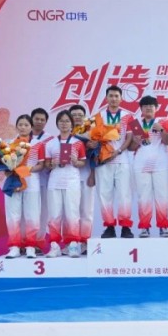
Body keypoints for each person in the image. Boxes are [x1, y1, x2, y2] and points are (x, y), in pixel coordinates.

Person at [43, 110, 87, 258]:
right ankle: (55, 246)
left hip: (72, 181)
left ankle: (73, 245)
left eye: (67, 121)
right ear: (57, 124)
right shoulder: (50, 143)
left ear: (72, 124)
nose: (64, 124)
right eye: (61, 121)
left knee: (72, 214)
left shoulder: (78, 143)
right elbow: (47, 165)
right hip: (55, 181)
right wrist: (52, 164)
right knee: (54, 215)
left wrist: (75, 162)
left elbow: (83, 162)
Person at [93, 85, 135, 238]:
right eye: (111, 96)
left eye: (116, 96)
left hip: (122, 160)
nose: (113, 99)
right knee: (104, 195)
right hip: (104, 161)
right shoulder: (98, 116)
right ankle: (109, 226)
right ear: (106, 98)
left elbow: (132, 137)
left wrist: (118, 151)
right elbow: (93, 137)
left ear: (121, 98)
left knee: (124, 195)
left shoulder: (129, 116)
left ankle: (125, 227)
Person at [2, 114, 45, 259]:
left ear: (31, 127)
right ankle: (14, 246)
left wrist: (28, 169)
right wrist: (9, 170)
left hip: (31, 182)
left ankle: (30, 246)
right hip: (13, 181)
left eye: (26, 125)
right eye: (20, 124)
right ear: (16, 126)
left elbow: (41, 165)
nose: (23, 127)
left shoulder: (38, 144)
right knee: (13, 215)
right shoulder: (8, 144)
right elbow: (5, 166)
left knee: (32, 215)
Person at [130, 95, 168, 238]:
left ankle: (163, 226)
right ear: (141, 109)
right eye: (145, 106)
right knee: (143, 197)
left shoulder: (162, 122)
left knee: (162, 196)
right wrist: (135, 141)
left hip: (161, 164)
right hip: (141, 165)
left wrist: (162, 130)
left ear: (156, 108)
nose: (148, 108)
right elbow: (131, 147)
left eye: (151, 106)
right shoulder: (136, 124)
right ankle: (144, 227)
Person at [69, 104, 95, 253]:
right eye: (74, 115)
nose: (77, 117)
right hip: (68, 177)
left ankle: (85, 243)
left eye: (80, 115)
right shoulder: (64, 135)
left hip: (86, 176)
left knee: (86, 211)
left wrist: (93, 174)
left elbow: (96, 157)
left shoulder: (91, 134)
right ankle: (70, 242)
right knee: (70, 212)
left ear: (84, 117)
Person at [29, 108, 54, 251]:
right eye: (36, 119)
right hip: (26, 181)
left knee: (43, 211)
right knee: (27, 212)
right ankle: (25, 242)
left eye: (42, 120)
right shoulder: (22, 137)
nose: (39, 122)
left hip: (44, 179)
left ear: (46, 122)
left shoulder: (51, 139)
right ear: (31, 119)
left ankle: (38, 242)